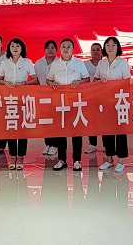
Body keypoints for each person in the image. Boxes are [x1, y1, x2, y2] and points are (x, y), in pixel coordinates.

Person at [46, 38, 90, 171]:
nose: (66, 49)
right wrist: (52, 84)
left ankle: (77, 160)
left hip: (75, 102)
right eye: (63, 46)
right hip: (60, 102)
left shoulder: (79, 63)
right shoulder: (55, 64)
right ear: (60, 49)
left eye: (68, 46)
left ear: (73, 49)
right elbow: (48, 79)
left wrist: (79, 82)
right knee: (61, 131)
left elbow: (87, 78)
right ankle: (62, 160)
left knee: (76, 132)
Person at [0, 38, 38, 170]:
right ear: (9, 48)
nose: (15, 48)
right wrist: (5, 83)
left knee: (22, 128)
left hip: (22, 99)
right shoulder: (4, 63)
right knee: (11, 127)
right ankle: (12, 156)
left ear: (22, 48)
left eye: (18, 46)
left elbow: (34, 79)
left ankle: (20, 156)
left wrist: (25, 83)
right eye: (12, 46)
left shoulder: (27, 62)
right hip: (9, 99)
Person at [94, 37, 131, 173]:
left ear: (118, 47)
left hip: (119, 102)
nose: (110, 47)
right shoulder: (101, 63)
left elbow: (127, 82)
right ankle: (109, 159)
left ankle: (121, 161)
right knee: (107, 131)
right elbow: (95, 79)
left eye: (113, 45)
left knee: (120, 131)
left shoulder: (123, 62)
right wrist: (100, 80)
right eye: (107, 45)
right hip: (105, 101)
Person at [34, 40, 59, 157]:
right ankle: (48, 143)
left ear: (56, 50)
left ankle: (55, 145)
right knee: (45, 120)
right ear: (44, 50)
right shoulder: (38, 63)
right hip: (42, 96)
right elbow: (35, 79)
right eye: (48, 47)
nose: (50, 50)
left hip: (56, 95)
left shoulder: (60, 63)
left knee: (55, 120)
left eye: (53, 48)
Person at [83, 42, 102, 155]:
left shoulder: (105, 63)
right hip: (89, 96)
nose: (96, 52)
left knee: (104, 119)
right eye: (93, 50)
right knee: (91, 119)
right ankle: (92, 143)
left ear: (101, 51)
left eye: (98, 49)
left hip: (104, 95)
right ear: (90, 52)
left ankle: (106, 144)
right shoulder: (85, 64)